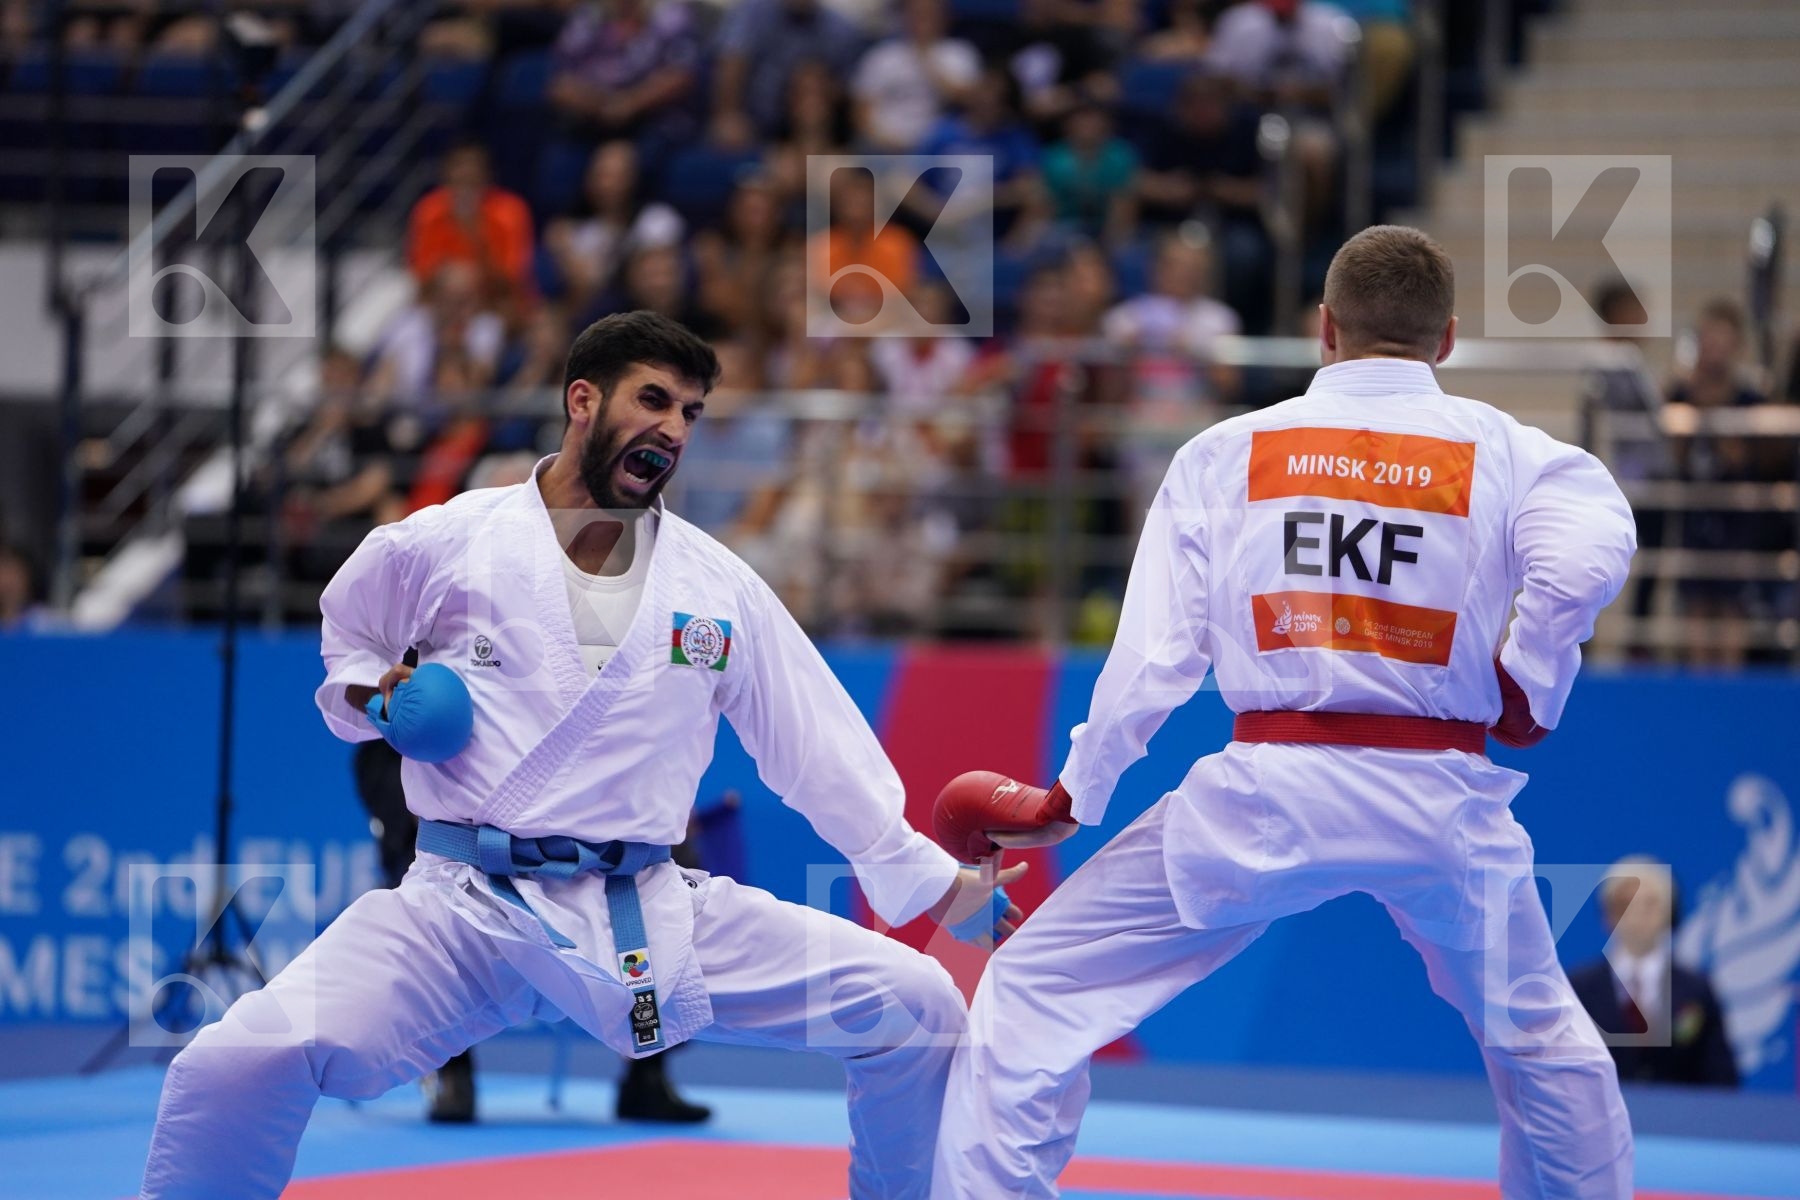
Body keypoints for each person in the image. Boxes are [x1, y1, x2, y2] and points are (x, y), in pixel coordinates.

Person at [141, 311, 1023, 1200]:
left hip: (645, 906)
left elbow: (815, 747)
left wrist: (931, 882)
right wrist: (380, 700)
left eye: (690, 412)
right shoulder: (454, 540)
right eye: (654, 400)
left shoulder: (716, 587)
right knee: (232, 1065)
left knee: (918, 1008)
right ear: (582, 400)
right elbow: (351, 635)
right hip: (463, 907)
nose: (673, 428)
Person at [930, 225, 1637, 1198]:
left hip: (1267, 793)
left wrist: (1074, 795)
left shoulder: (1227, 451)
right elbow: (1588, 558)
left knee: (1034, 989)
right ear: (1446, 340)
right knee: (1543, 1043)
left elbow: (1156, 658)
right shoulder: (1518, 454)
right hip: (1442, 798)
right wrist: (1532, 677)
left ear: (1324, 328)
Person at [350, 722, 713, 1124]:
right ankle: (451, 1070)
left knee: (666, 876)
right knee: (429, 887)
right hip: (455, 820)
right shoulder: (410, 696)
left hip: (564, 809)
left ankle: (647, 1070)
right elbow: (380, 744)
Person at [1566, 857, 1739, 1089]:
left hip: (1680, 1111)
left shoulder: (1696, 990)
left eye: (1650, 904)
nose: (1637, 914)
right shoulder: (1580, 988)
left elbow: (1721, 1079)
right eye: (1626, 903)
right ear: (1608, 915)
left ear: (1669, 912)